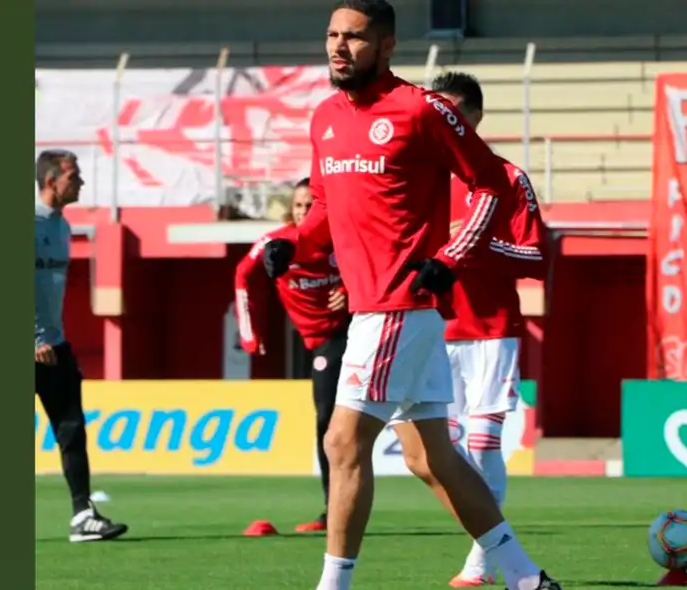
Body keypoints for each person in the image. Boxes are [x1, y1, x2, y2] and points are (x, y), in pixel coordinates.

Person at [262, 2, 561, 588]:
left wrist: (451, 257)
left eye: (354, 37)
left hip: (397, 306)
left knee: (343, 442)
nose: (338, 47)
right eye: (332, 36)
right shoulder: (324, 116)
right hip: (386, 313)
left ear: (388, 45)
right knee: (433, 458)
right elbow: (324, 205)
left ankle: (333, 585)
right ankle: (526, 578)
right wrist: (294, 244)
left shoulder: (421, 108)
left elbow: (491, 182)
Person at [430, 72, 550, 588]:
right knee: (444, 455)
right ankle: (497, 555)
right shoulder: (424, 180)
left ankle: (481, 563)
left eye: (455, 112)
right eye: (441, 112)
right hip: (434, 328)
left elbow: (537, 256)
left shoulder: (507, 177)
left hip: (491, 331)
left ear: (475, 117)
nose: (447, 122)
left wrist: (480, 252)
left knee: (482, 446)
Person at [235, 176, 351, 534]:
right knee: (328, 423)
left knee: (327, 422)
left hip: (344, 333)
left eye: (310, 206)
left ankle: (335, 510)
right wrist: (250, 333)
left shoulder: (342, 238)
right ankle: (333, 508)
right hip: (314, 342)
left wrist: (350, 290)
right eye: (299, 205)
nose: (304, 212)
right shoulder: (277, 242)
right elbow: (242, 274)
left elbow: (372, 268)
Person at [35, 150, 129, 543]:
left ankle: (83, 515)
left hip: (54, 346)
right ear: (51, 180)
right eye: (74, 176)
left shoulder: (61, 227)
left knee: (72, 430)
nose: (81, 183)